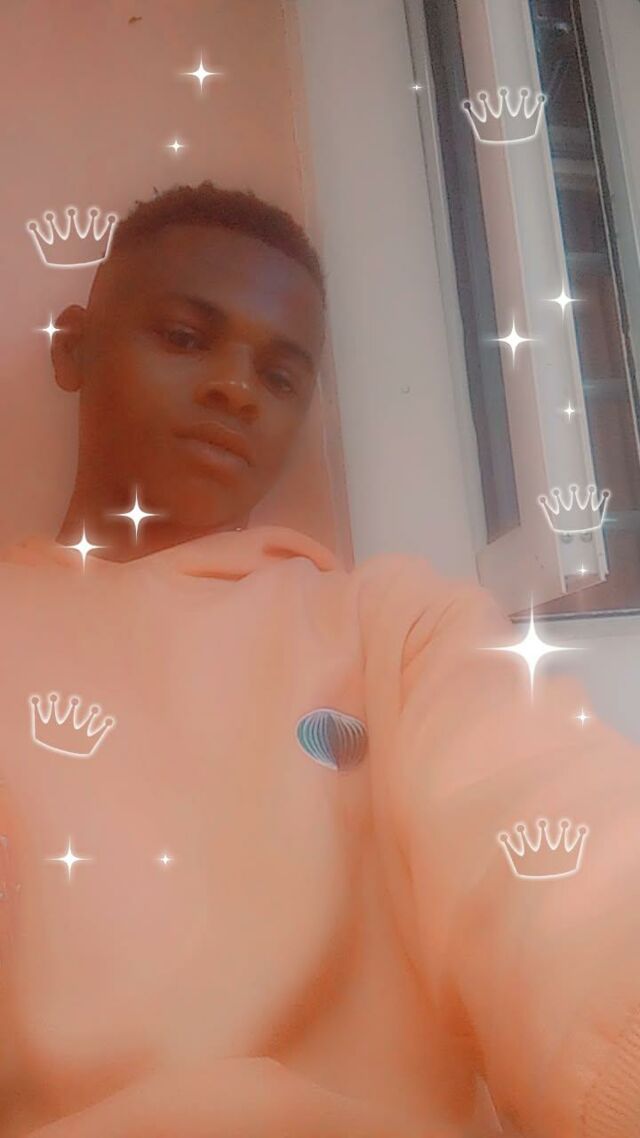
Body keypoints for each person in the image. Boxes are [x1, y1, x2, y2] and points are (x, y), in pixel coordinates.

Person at [1, 180, 639, 1137]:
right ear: (72, 349)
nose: (235, 389)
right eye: (185, 336)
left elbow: (559, 845)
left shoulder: (395, 630)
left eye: (281, 375)